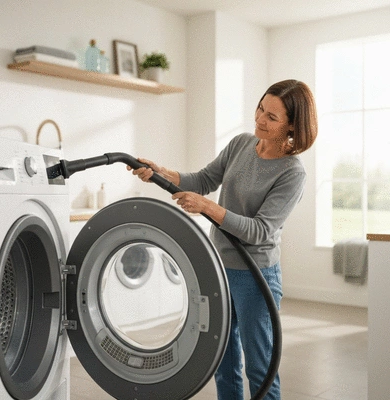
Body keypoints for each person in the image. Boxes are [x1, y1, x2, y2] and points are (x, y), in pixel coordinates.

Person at [127, 79, 318, 400]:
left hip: (256, 276)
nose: (260, 119)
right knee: (223, 360)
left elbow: (260, 231)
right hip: (218, 268)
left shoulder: (291, 173)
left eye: (272, 117)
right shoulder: (241, 144)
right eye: (260, 109)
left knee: (260, 367)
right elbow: (202, 180)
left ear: (292, 126)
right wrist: (160, 172)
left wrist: (208, 208)